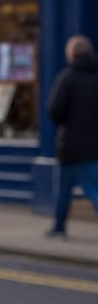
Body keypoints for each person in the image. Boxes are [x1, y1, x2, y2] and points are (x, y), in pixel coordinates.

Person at [47, 35, 98, 237]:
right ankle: (58, 226)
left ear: (71, 55)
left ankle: (59, 227)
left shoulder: (67, 78)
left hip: (70, 145)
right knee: (92, 187)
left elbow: (54, 110)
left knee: (64, 190)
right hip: (94, 146)